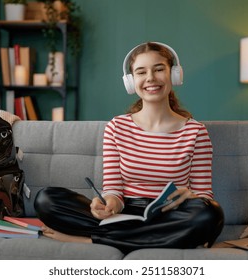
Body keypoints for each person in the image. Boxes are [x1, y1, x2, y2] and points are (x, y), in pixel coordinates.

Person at [34, 42, 224, 254]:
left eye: (159, 69)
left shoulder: (195, 132)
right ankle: (154, 238)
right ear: (131, 82)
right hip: (124, 215)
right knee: (46, 199)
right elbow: (114, 189)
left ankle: (91, 240)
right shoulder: (117, 127)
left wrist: (189, 195)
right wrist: (108, 204)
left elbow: (204, 195)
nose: (151, 78)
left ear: (175, 74)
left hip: (170, 215)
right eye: (141, 72)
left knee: (210, 214)